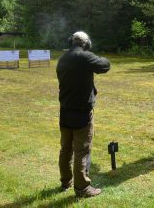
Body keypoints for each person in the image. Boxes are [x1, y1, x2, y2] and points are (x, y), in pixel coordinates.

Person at [56, 31, 111, 197]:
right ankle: (82, 188)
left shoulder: (63, 58)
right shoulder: (84, 57)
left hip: (65, 111)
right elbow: (105, 65)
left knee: (65, 149)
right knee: (82, 150)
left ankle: (66, 182)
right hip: (81, 113)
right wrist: (91, 55)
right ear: (86, 43)